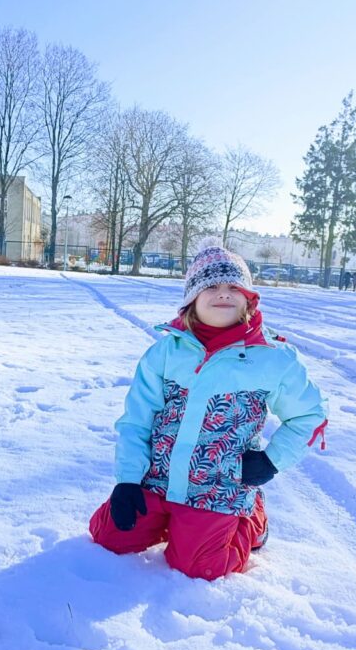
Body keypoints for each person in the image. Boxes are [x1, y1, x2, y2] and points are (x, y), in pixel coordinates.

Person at [89, 247, 328, 581]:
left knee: (199, 567)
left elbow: (310, 415)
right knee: (107, 535)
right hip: (156, 479)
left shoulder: (274, 358)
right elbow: (136, 420)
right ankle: (171, 520)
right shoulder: (165, 353)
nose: (223, 295)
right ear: (192, 298)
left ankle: (252, 519)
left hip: (217, 487)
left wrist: (272, 460)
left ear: (248, 299)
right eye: (212, 287)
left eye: (234, 288)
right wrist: (128, 480)